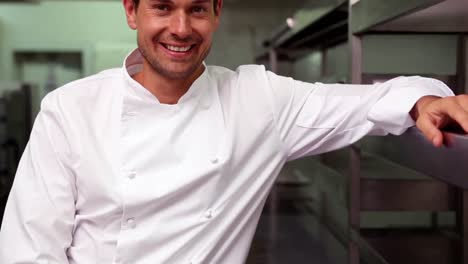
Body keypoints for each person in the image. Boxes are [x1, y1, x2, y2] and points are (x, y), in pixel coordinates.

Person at [1, 0, 467, 263]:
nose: (181, 28)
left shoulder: (257, 99)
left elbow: (369, 102)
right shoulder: (71, 109)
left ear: (217, 13)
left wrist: (426, 100)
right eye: (163, 7)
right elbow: (29, 248)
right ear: (132, 11)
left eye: (197, 9)